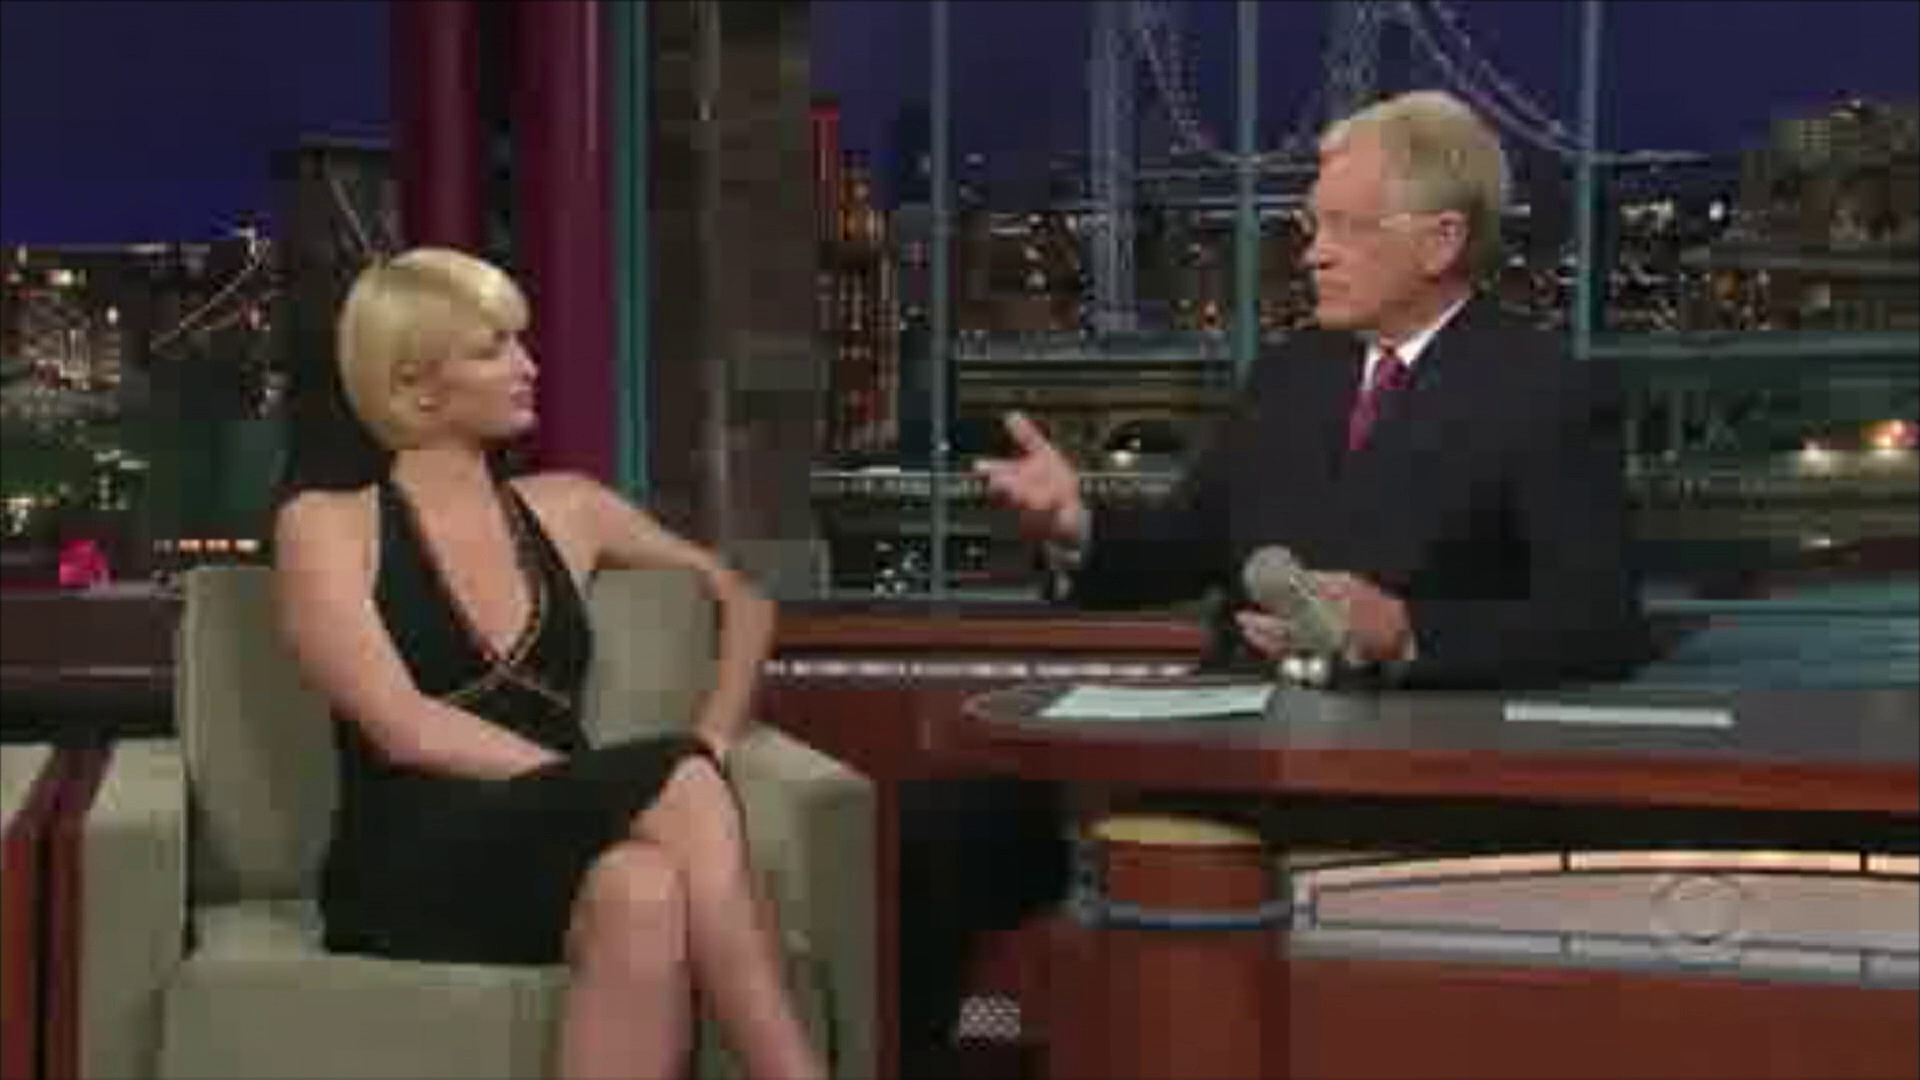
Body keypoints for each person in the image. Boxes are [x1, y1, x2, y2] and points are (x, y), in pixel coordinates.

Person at [892, 89, 1653, 1069]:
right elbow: (1184, 544)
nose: (1314, 255)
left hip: (1396, 778)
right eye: (1310, 228)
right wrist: (1076, 525)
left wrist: (1406, 630)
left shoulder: (1544, 389)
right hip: (1220, 746)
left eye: (1345, 228)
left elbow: (1597, 620)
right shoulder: (1294, 374)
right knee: (940, 829)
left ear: (1441, 240)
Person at [273, 248, 825, 1080]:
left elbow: (744, 600)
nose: (528, 366)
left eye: (521, 343)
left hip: (553, 844)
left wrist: (712, 739)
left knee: (644, 889)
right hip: (410, 858)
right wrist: (617, 785)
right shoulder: (326, 524)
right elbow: (402, 726)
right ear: (415, 383)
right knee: (674, 782)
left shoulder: (571, 508)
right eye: (493, 348)